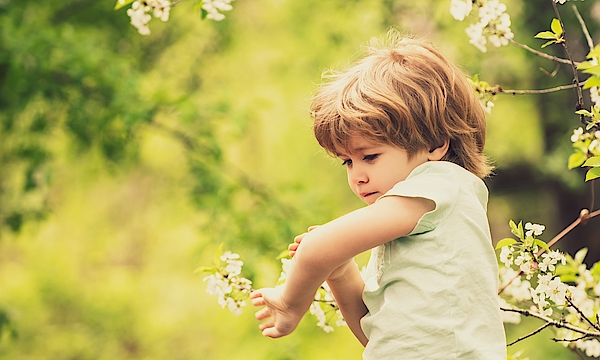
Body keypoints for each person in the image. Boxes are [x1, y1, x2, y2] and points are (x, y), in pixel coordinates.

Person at [250, 30, 507, 359]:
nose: (357, 176)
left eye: (370, 157)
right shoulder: (411, 227)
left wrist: (290, 302)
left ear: (435, 145)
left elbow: (316, 249)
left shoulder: (440, 184)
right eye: (347, 161)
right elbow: (379, 338)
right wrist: (342, 273)